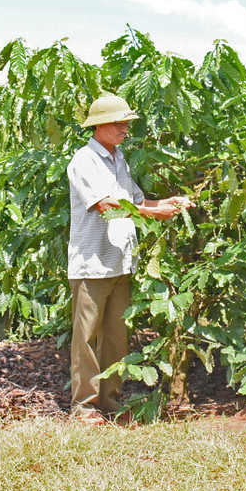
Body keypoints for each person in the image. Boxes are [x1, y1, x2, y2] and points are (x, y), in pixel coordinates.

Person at [66, 95, 193, 425]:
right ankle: (84, 408)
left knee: (115, 338)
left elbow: (138, 201)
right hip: (92, 263)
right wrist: (153, 211)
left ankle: (110, 403)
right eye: (119, 123)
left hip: (121, 261)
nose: (125, 128)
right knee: (87, 339)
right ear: (100, 125)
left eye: (127, 123)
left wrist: (169, 203)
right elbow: (106, 205)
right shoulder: (84, 161)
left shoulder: (118, 159)